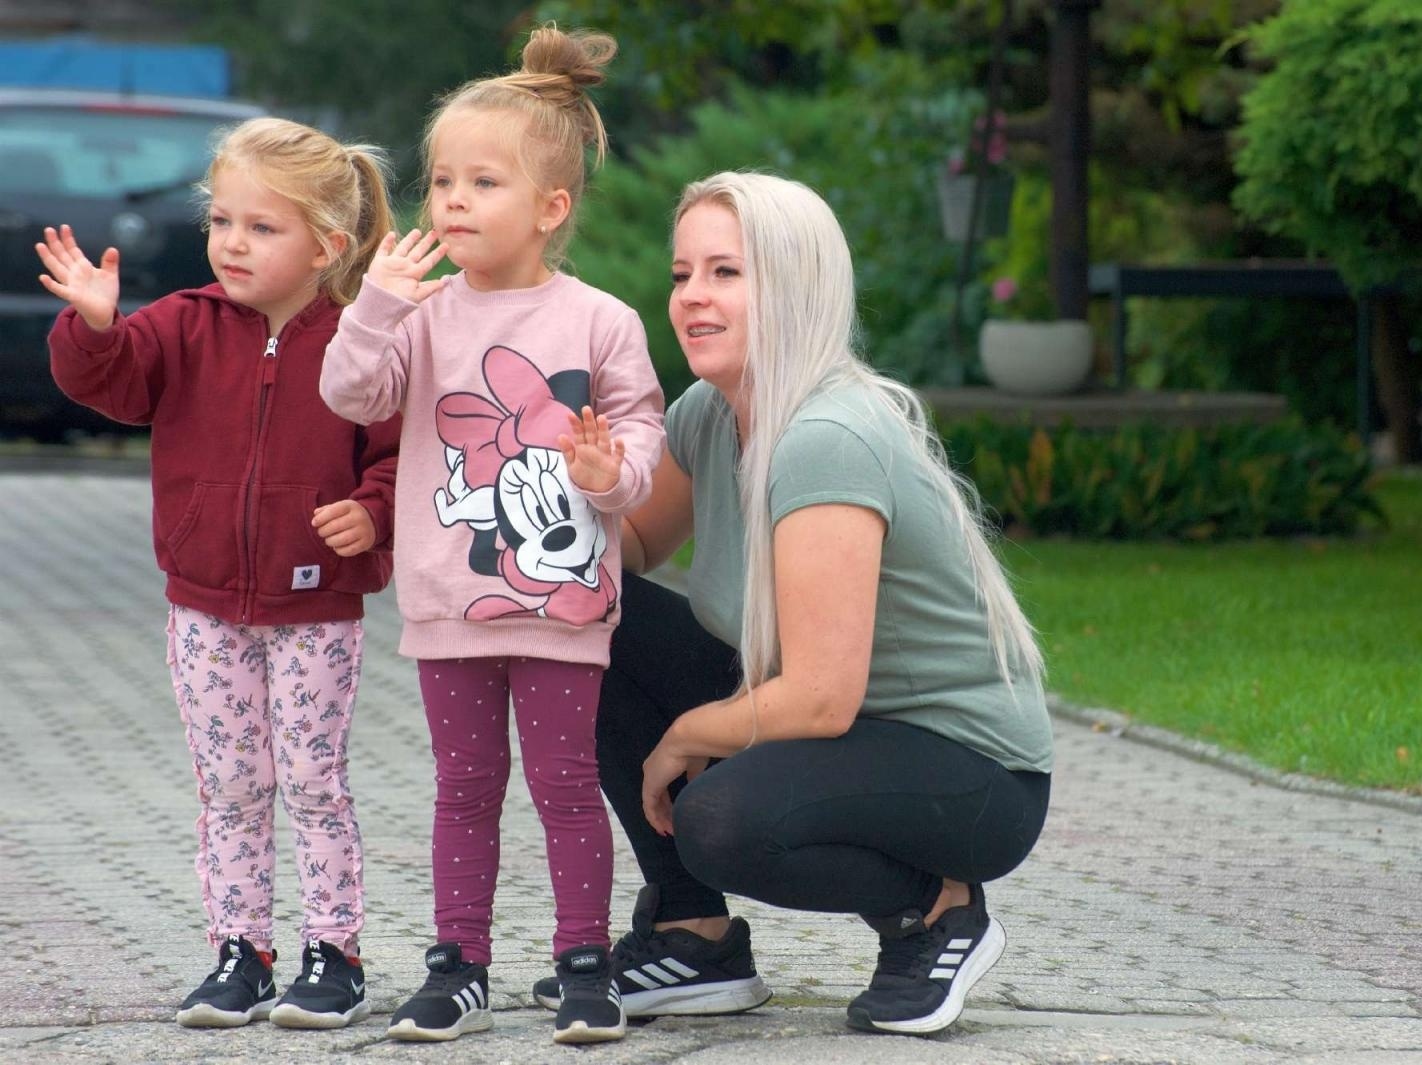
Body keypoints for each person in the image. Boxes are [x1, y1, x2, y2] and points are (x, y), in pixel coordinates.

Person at [532, 171, 1055, 1036]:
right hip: (841, 734)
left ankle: (938, 912)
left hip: (969, 774)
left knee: (723, 817)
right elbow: (617, 558)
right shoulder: (710, 411)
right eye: (682, 274)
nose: (693, 297)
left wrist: (686, 734)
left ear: (795, 286)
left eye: (726, 274)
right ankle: (692, 933)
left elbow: (819, 694)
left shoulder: (827, 437)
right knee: (591, 611)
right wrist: (571, 497)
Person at [319, 23, 664, 1046]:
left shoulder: (598, 320)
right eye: (441, 181)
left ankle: (582, 965)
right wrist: (375, 304)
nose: (452, 200)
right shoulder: (418, 315)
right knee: (464, 790)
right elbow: (348, 393)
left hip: (562, 604)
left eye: (482, 182)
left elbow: (638, 423)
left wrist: (615, 473)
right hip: (449, 600)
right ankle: (458, 963)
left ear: (551, 208)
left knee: (565, 789)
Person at [38, 117, 401, 1031]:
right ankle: (241, 952)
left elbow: (397, 455)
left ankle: (335, 952)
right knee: (231, 786)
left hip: (317, 604)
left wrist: (372, 513)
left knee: (314, 779)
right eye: (222, 221)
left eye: (261, 227)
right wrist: (93, 324)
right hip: (203, 609)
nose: (232, 243)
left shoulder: (360, 343)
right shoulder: (183, 325)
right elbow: (111, 384)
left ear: (327, 245)